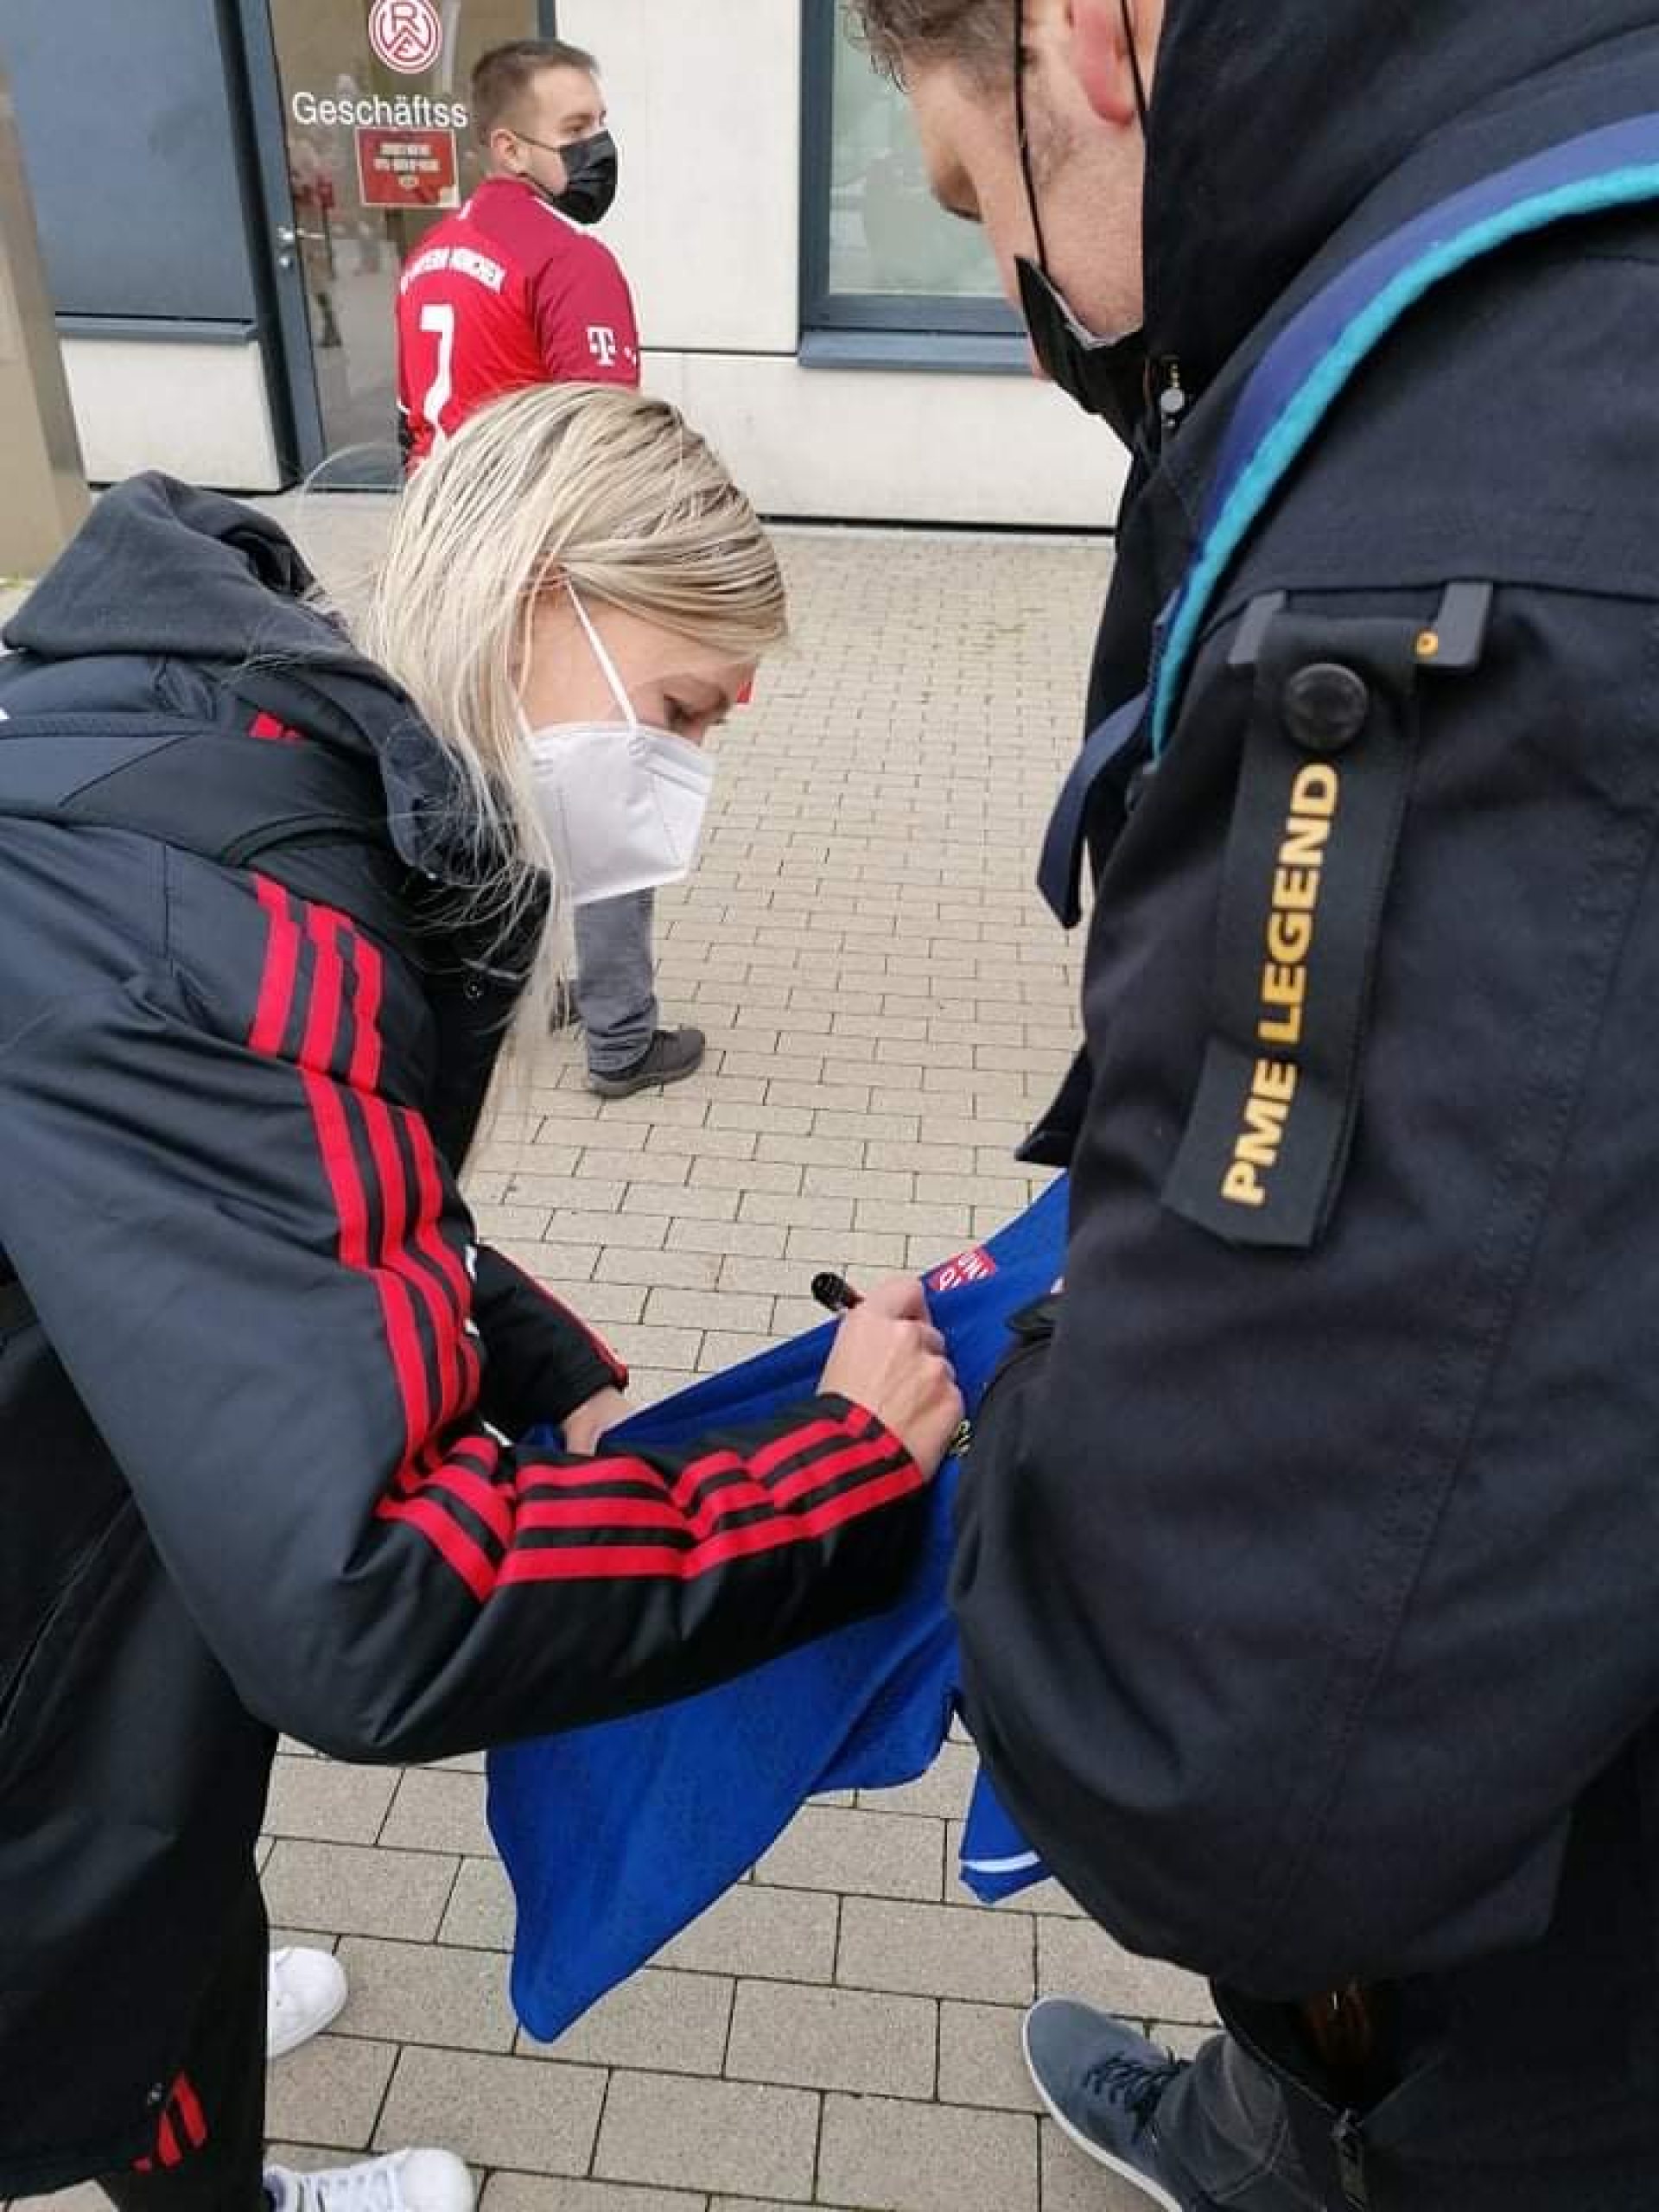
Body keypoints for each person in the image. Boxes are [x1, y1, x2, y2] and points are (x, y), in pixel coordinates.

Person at [847, 2, 1659, 2208]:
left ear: (1082, 41)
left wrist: (1010, 1401)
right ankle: (1264, 2123)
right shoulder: (1531, 236)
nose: (1020, 299)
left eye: (975, 192)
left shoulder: (1489, 494)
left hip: (1560, 2004)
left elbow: (1205, 1748)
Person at [0, 382, 963, 2211]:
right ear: (539, 599)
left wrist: (544, 1364)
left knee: (169, 1847)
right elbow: (371, 1601)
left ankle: (198, 2084)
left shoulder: (226, 748)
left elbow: (281, 1202)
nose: (690, 774)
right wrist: (832, 1473)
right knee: (100, 1893)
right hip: (46, 1603)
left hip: (95, 1494)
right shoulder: (234, 934)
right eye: (682, 710)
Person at [395, 37, 696, 1103]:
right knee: (609, 791)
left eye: (600, 121)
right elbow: (604, 444)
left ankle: (521, 987)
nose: (599, 146)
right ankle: (622, 1037)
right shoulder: (569, 261)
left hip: (448, 569)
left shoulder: (430, 257)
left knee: (497, 792)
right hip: (546, 574)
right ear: (508, 147)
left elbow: (413, 426)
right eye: (576, 130)